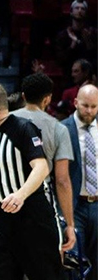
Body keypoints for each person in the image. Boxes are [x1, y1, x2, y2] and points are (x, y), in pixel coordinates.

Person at [0, 80, 67, 279]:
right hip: (2, 222)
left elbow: (41, 166)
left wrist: (20, 195)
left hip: (33, 219)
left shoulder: (22, 128)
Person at [12, 73, 76, 253]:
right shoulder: (59, 128)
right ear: (48, 99)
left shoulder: (3, 123)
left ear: (23, 96)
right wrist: (70, 225)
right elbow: (62, 180)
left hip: (5, 199)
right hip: (40, 201)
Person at [61, 84, 98, 280]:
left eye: (94, 106)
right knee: (74, 264)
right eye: (85, 105)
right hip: (74, 206)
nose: (89, 111)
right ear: (75, 102)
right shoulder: (62, 129)